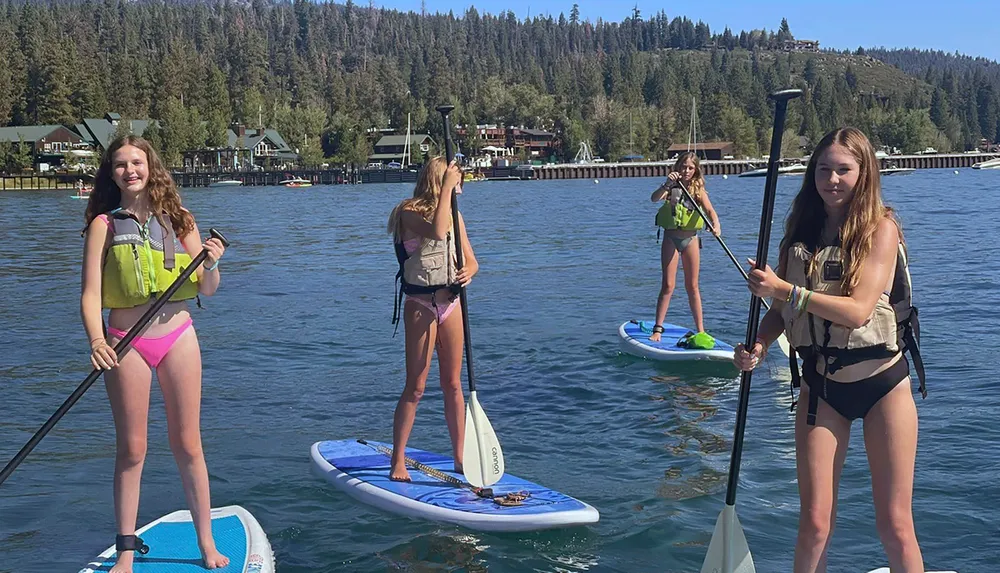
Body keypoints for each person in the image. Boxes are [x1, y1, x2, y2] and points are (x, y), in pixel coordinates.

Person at [734, 127, 924, 572]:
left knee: (894, 525)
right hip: (821, 390)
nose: (833, 179)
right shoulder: (802, 232)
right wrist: (758, 346)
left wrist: (783, 289)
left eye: (844, 170)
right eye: (824, 169)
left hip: (882, 387)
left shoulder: (882, 230)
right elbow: (782, 311)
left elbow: (858, 311)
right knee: (814, 524)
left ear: (864, 173)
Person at [81, 136, 229, 572]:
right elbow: (91, 295)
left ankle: (207, 542)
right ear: (111, 174)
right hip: (125, 343)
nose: (130, 170)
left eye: (137, 162)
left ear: (151, 167)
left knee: (188, 443)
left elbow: (207, 287)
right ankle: (126, 552)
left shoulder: (181, 220)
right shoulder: (103, 226)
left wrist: (213, 262)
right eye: (121, 164)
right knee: (132, 449)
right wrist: (96, 341)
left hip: (178, 335)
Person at [387, 157, 478, 482]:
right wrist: (448, 190)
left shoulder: (456, 216)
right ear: (440, 182)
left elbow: (471, 259)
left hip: (450, 304)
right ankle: (398, 459)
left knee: (453, 384)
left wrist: (469, 270)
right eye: (455, 181)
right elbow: (438, 231)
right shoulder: (408, 212)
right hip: (420, 305)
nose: (460, 186)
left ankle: (459, 457)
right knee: (416, 386)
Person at [649, 151, 721, 344]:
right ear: (677, 168)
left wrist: (716, 225)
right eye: (683, 167)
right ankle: (658, 329)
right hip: (671, 238)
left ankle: (701, 330)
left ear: (695, 169)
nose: (686, 170)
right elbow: (654, 198)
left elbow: (710, 211)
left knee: (693, 286)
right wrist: (667, 184)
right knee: (668, 285)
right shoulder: (671, 187)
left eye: (690, 167)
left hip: (691, 240)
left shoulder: (698, 190)